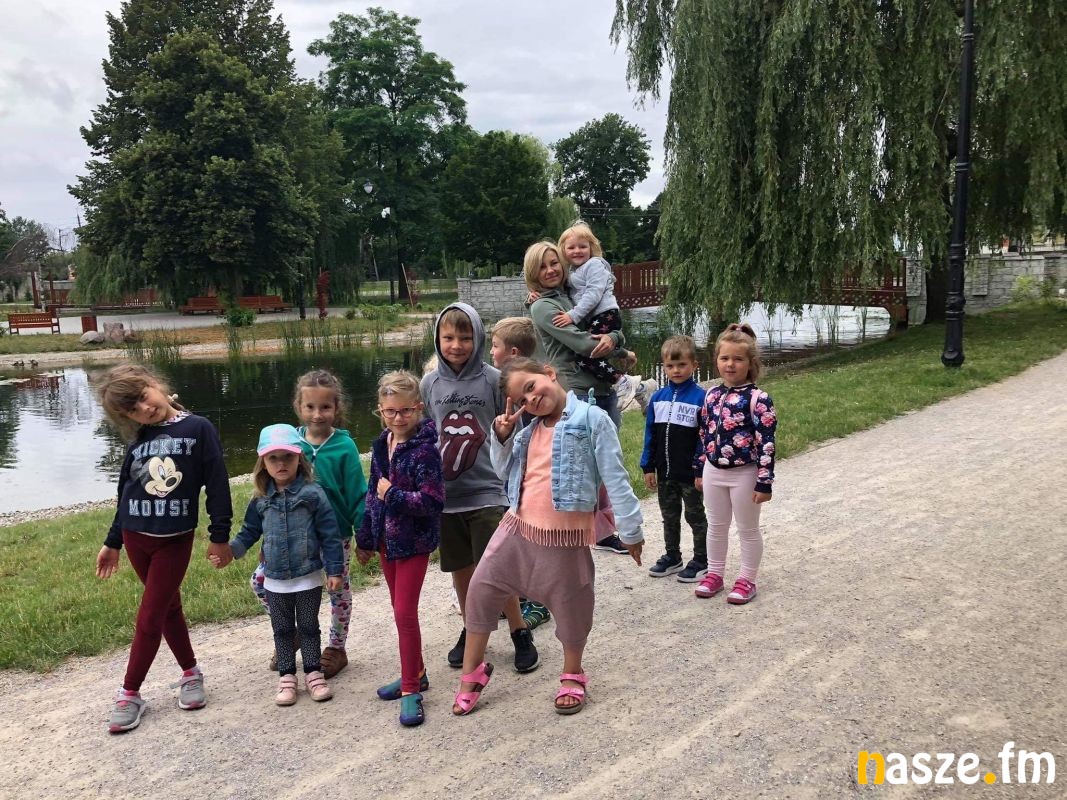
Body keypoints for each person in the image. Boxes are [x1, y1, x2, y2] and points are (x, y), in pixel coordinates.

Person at [452, 358, 644, 717]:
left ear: (549, 373)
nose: (531, 400)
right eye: (522, 400)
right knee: (480, 590)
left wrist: (631, 530)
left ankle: (573, 672)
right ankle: (472, 673)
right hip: (516, 527)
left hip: (564, 537)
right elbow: (504, 472)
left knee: (572, 608)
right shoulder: (527, 432)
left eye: (531, 387)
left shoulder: (592, 419)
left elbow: (616, 477)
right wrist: (503, 437)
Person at [95, 364, 232, 733]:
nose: (144, 408)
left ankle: (129, 692)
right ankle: (191, 673)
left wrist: (219, 534)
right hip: (136, 537)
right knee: (168, 607)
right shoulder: (140, 437)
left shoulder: (198, 428)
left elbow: (217, 484)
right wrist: (113, 542)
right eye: (133, 409)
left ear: (155, 385)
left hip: (173, 539)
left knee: (150, 614)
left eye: (143, 397)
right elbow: (126, 493)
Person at [420, 302, 540, 673]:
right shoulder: (429, 384)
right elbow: (426, 434)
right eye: (448, 338)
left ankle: (519, 630)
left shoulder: (493, 379)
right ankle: (471, 626)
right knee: (461, 569)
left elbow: (514, 429)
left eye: (465, 337)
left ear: (479, 338)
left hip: (489, 490)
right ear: (438, 339)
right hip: (447, 495)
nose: (456, 345)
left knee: (496, 567)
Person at [213, 424, 344, 705]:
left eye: (288, 457)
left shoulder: (313, 494)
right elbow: (249, 532)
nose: (281, 463)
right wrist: (230, 551)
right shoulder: (260, 498)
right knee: (282, 630)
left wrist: (335, 570)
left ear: (299, 458)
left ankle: (313, 673)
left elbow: (330, 534)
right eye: (273, 458)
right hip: (274, 580)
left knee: (308, 627)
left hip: (308, 577)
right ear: (263, 462)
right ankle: (287, 676)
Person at [249, 369, 367, 679]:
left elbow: (358, 495)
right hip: (291, 536)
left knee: (338, 589)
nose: (317, 414)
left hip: (335, 536)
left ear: (336, 407)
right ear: (298, 407)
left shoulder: (344, 446)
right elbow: (271, 492)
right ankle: (296, 632)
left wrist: (364, 535)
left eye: (325, 407)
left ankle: (336, 648)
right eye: (310, 406)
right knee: (261, 582)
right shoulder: (290, 442)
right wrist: (266, 540)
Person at [524, 239, 633, 555]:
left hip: (601, 386)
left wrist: (615, 335)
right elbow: (584, 344)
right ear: (533, 273)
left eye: (553, 263)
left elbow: (604, 321)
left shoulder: (569, 295)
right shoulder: (544, 306)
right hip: (578, 389)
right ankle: (574, 533)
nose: (550, 270)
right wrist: (621, 349)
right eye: (542, 267)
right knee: (583, 465)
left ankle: (602, 530)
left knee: (605, 461)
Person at [356, 371, 444, 727]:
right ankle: (417, 673)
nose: (398, 417)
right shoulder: (382, 443)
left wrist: (392, 495)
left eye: (405, 410)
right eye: (390, 411)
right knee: (398, 609)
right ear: (380, 410)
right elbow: (371, 493)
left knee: (405, 614)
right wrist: (365, 537)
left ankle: (411, 690)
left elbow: (432, 502)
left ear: (418, 408)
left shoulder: (425, 452)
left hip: (413, 542)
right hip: (385, 542)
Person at [693, 323, 778, 604]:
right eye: (724, 358)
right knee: (716, 526)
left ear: (750, 363)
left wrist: (764, 482)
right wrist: (700, 468)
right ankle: (714, 574)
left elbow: (766, 443)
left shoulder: (758, 399)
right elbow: (704, 434)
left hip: (745, 474)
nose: (730, 364)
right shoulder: (711, 395)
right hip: (713, 471)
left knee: (747, 529)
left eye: (738, 359)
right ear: (716, 360)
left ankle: (747, 579)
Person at [489, 317, 551, 631]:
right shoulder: (509, 389)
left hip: (534, 488)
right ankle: (519, 597)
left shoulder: (528, 396)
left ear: (512, 353)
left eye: (495, 346)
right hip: (513, 486)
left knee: (535, 547)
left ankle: (538, 602)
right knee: (518, 546)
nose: (491, 352)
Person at [554, 221, 653, 411]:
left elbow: (594, 294)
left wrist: (573, 316)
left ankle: (623, 382)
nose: (577, 251)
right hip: (596, 317)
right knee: (593, 352)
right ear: (563, 251)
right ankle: (640, 388)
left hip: (605, 314)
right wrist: (533, 295)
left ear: (592, 248)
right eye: (571, 247)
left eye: (583, 246)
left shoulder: (594, 265)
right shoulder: (573, 271)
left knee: (586, 353)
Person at [641, 335, 709, 581]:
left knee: (695, 516)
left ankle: (702, 558)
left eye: (682, 365)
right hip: (665, 471)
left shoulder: (701, 398)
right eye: (670, 365)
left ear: (694, 365)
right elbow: (650, 434)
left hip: (690, 473)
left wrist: (701, 469)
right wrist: (648, 466)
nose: (676, 370)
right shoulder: (657, 398)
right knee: (669, 516)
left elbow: (705, 437)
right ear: (664, 367)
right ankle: (673, 556)